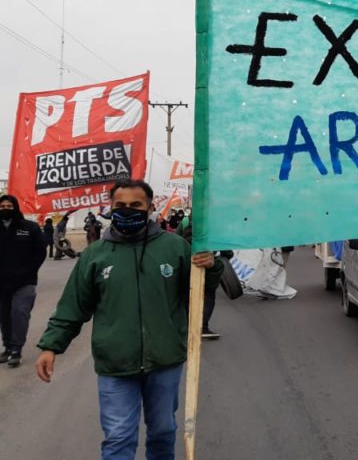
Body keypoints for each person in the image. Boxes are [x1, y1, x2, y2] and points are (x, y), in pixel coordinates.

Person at [34, 179, 224, 460]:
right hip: (115, 363)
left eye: (136, 205)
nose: (128, 210)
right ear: (110, 208)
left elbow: (201, 289)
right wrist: (51, 345)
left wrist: (212, 265)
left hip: (165, 359)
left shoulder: (175, 248)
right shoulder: (95, 255)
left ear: (149, 207)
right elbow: (73, 306)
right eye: (120, 205)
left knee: (162, 432)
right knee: (119, 437)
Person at [0, 195, 47, 368]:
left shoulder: (30, 227)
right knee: (4, 317)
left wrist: (25, 273)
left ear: (16, 207)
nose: (5, 208)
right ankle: (7, 347)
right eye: (2, 205)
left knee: (19, 313)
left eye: (9, 205)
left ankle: (16, 350)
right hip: (2, 284)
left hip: (24, 282)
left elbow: (40, 253)